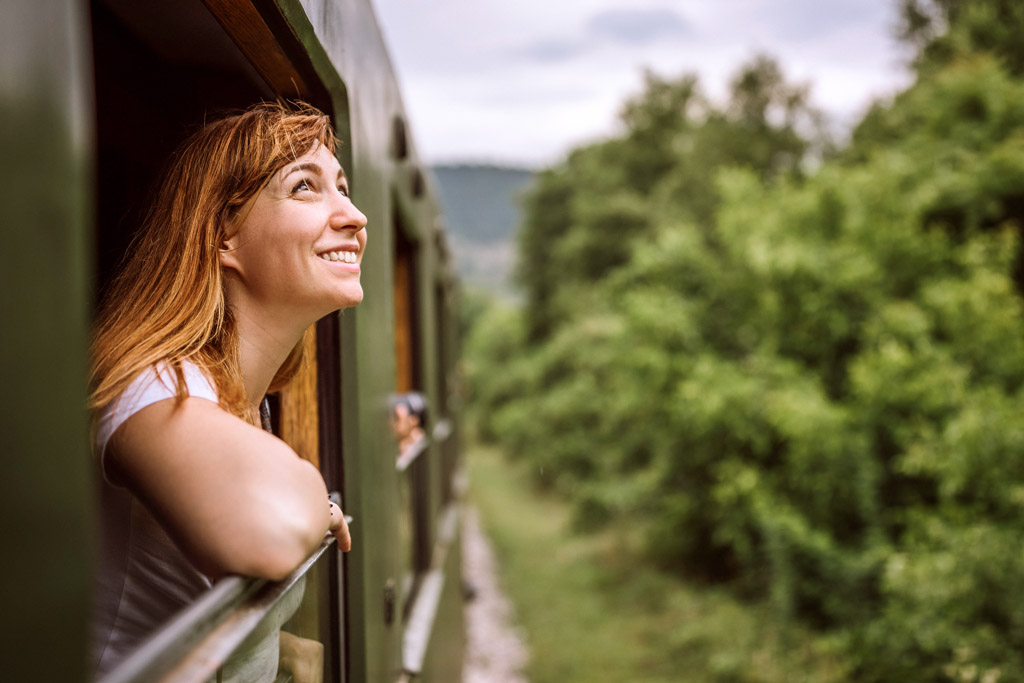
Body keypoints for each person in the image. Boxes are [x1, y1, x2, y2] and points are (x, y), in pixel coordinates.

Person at [88, 101, 363, 681]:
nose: (355, 215)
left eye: (343, 187)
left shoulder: (237, 397)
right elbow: (268, 529)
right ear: (223, 238)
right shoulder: (156, 383)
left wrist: (286, 651)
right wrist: (315, 499)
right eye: (306, 187)